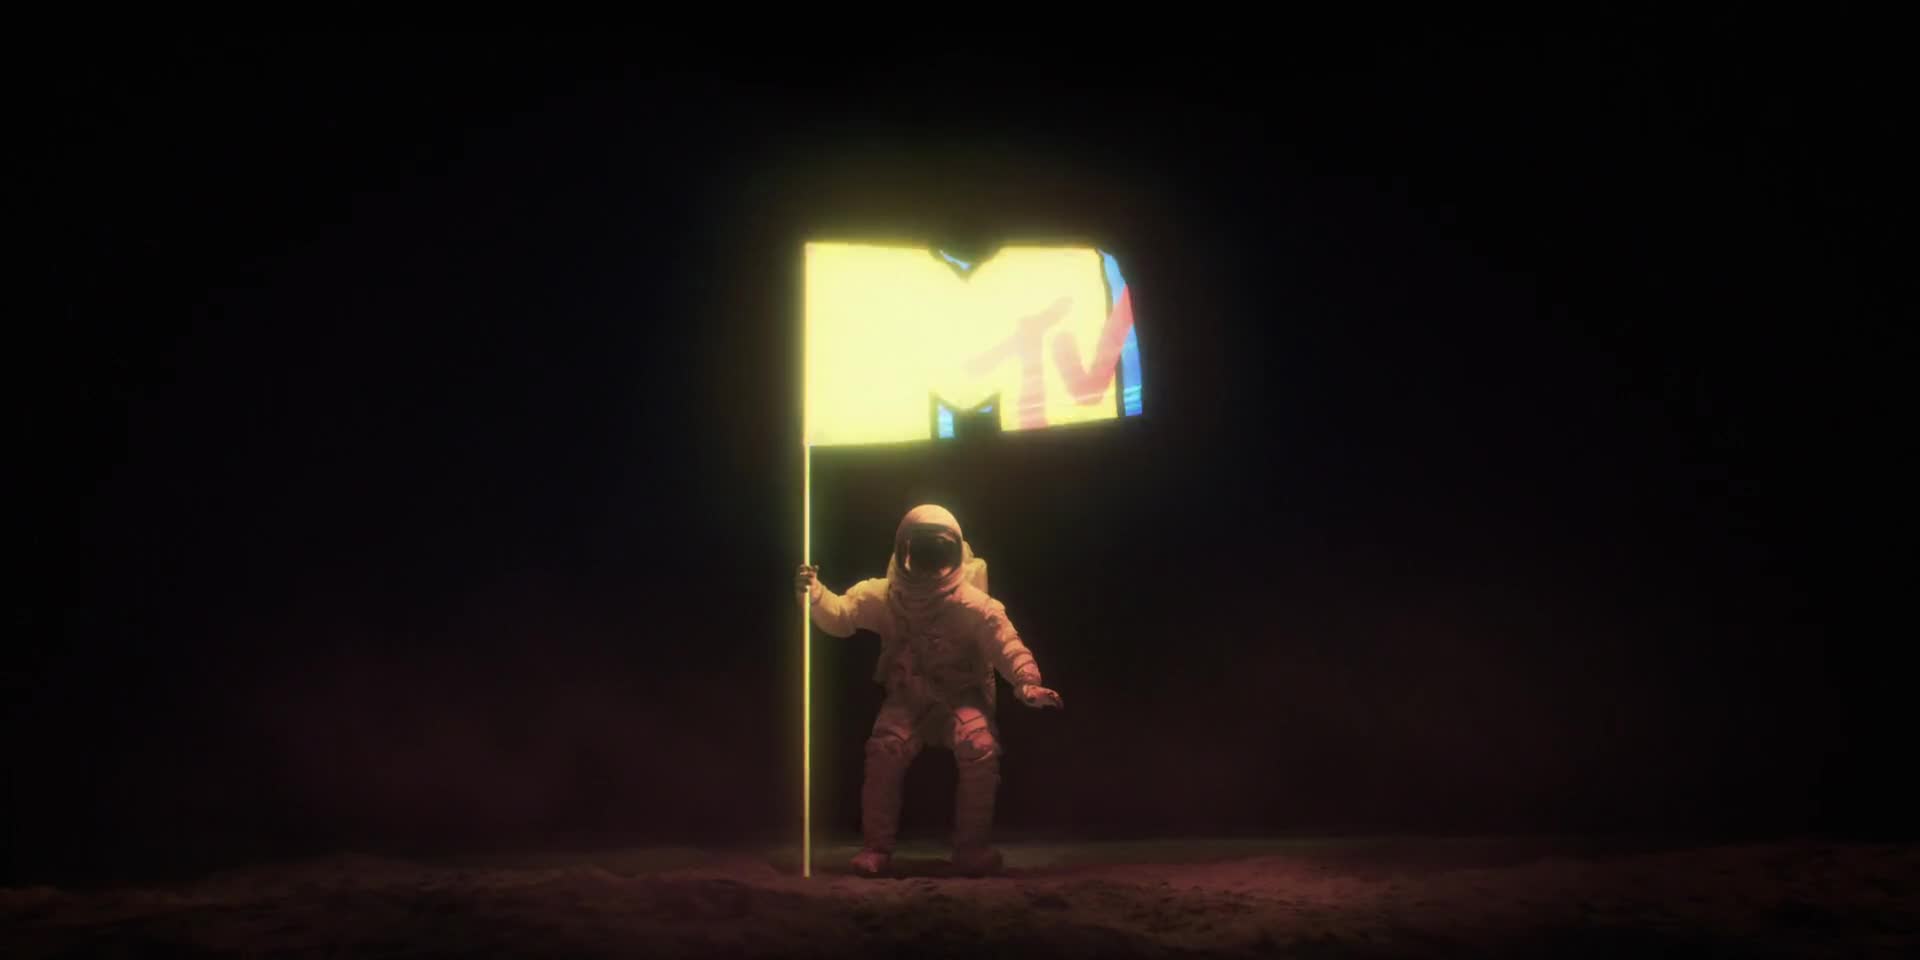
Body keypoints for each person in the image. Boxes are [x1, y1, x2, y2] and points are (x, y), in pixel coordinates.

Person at [796, 504, 1062, 876]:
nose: (929, 559)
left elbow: (1006, 645)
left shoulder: (972, 604)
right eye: (922, 549)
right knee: (885, 750)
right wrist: (815, 595)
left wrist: (1027, 681)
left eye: (937, 549)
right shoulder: (885, 595)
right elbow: (841, 616)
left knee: (979, 747)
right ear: (904, 548)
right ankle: (876, 847)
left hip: (960, 697)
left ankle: (971, 849)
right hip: (909, 697)